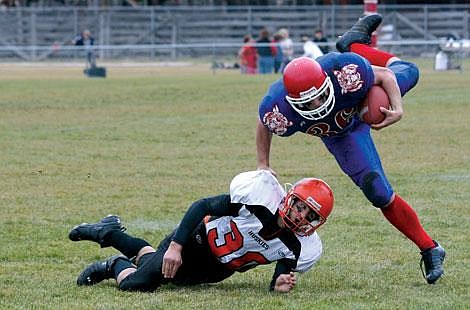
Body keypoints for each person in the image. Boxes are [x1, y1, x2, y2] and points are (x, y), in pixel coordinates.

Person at [255, 14, 445, 285]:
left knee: (411, 71)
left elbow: (386, 75)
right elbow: (264, 124)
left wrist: (397, 108)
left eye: (320, 95)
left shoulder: (344, 72)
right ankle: (430, 247)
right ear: (292, 102)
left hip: (358, 102)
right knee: (377, 191)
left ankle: (356, 46)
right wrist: (263, 162)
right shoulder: (278, 107)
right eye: (307, 103)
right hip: (342, 134)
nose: (317, 103)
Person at [69, 170, 334, 293]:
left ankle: (110, 232)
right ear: (290, 197)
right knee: (136, 284)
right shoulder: (258, 201)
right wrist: (176, 246)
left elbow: (277, 281)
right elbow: (202, 206)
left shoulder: (297, 247)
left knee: (159, 269)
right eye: (301, 207)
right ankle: (112, 264)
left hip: (217, 270)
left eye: (310, 216)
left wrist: (280, 285)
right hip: (195, 241)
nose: (301, 216)